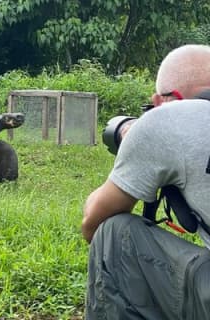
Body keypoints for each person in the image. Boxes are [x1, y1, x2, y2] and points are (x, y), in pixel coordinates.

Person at [82, 44, 210, 320]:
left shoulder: (169, 118)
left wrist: (138, 137)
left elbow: (92, 223)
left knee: (113, 233)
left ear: (164, 100)